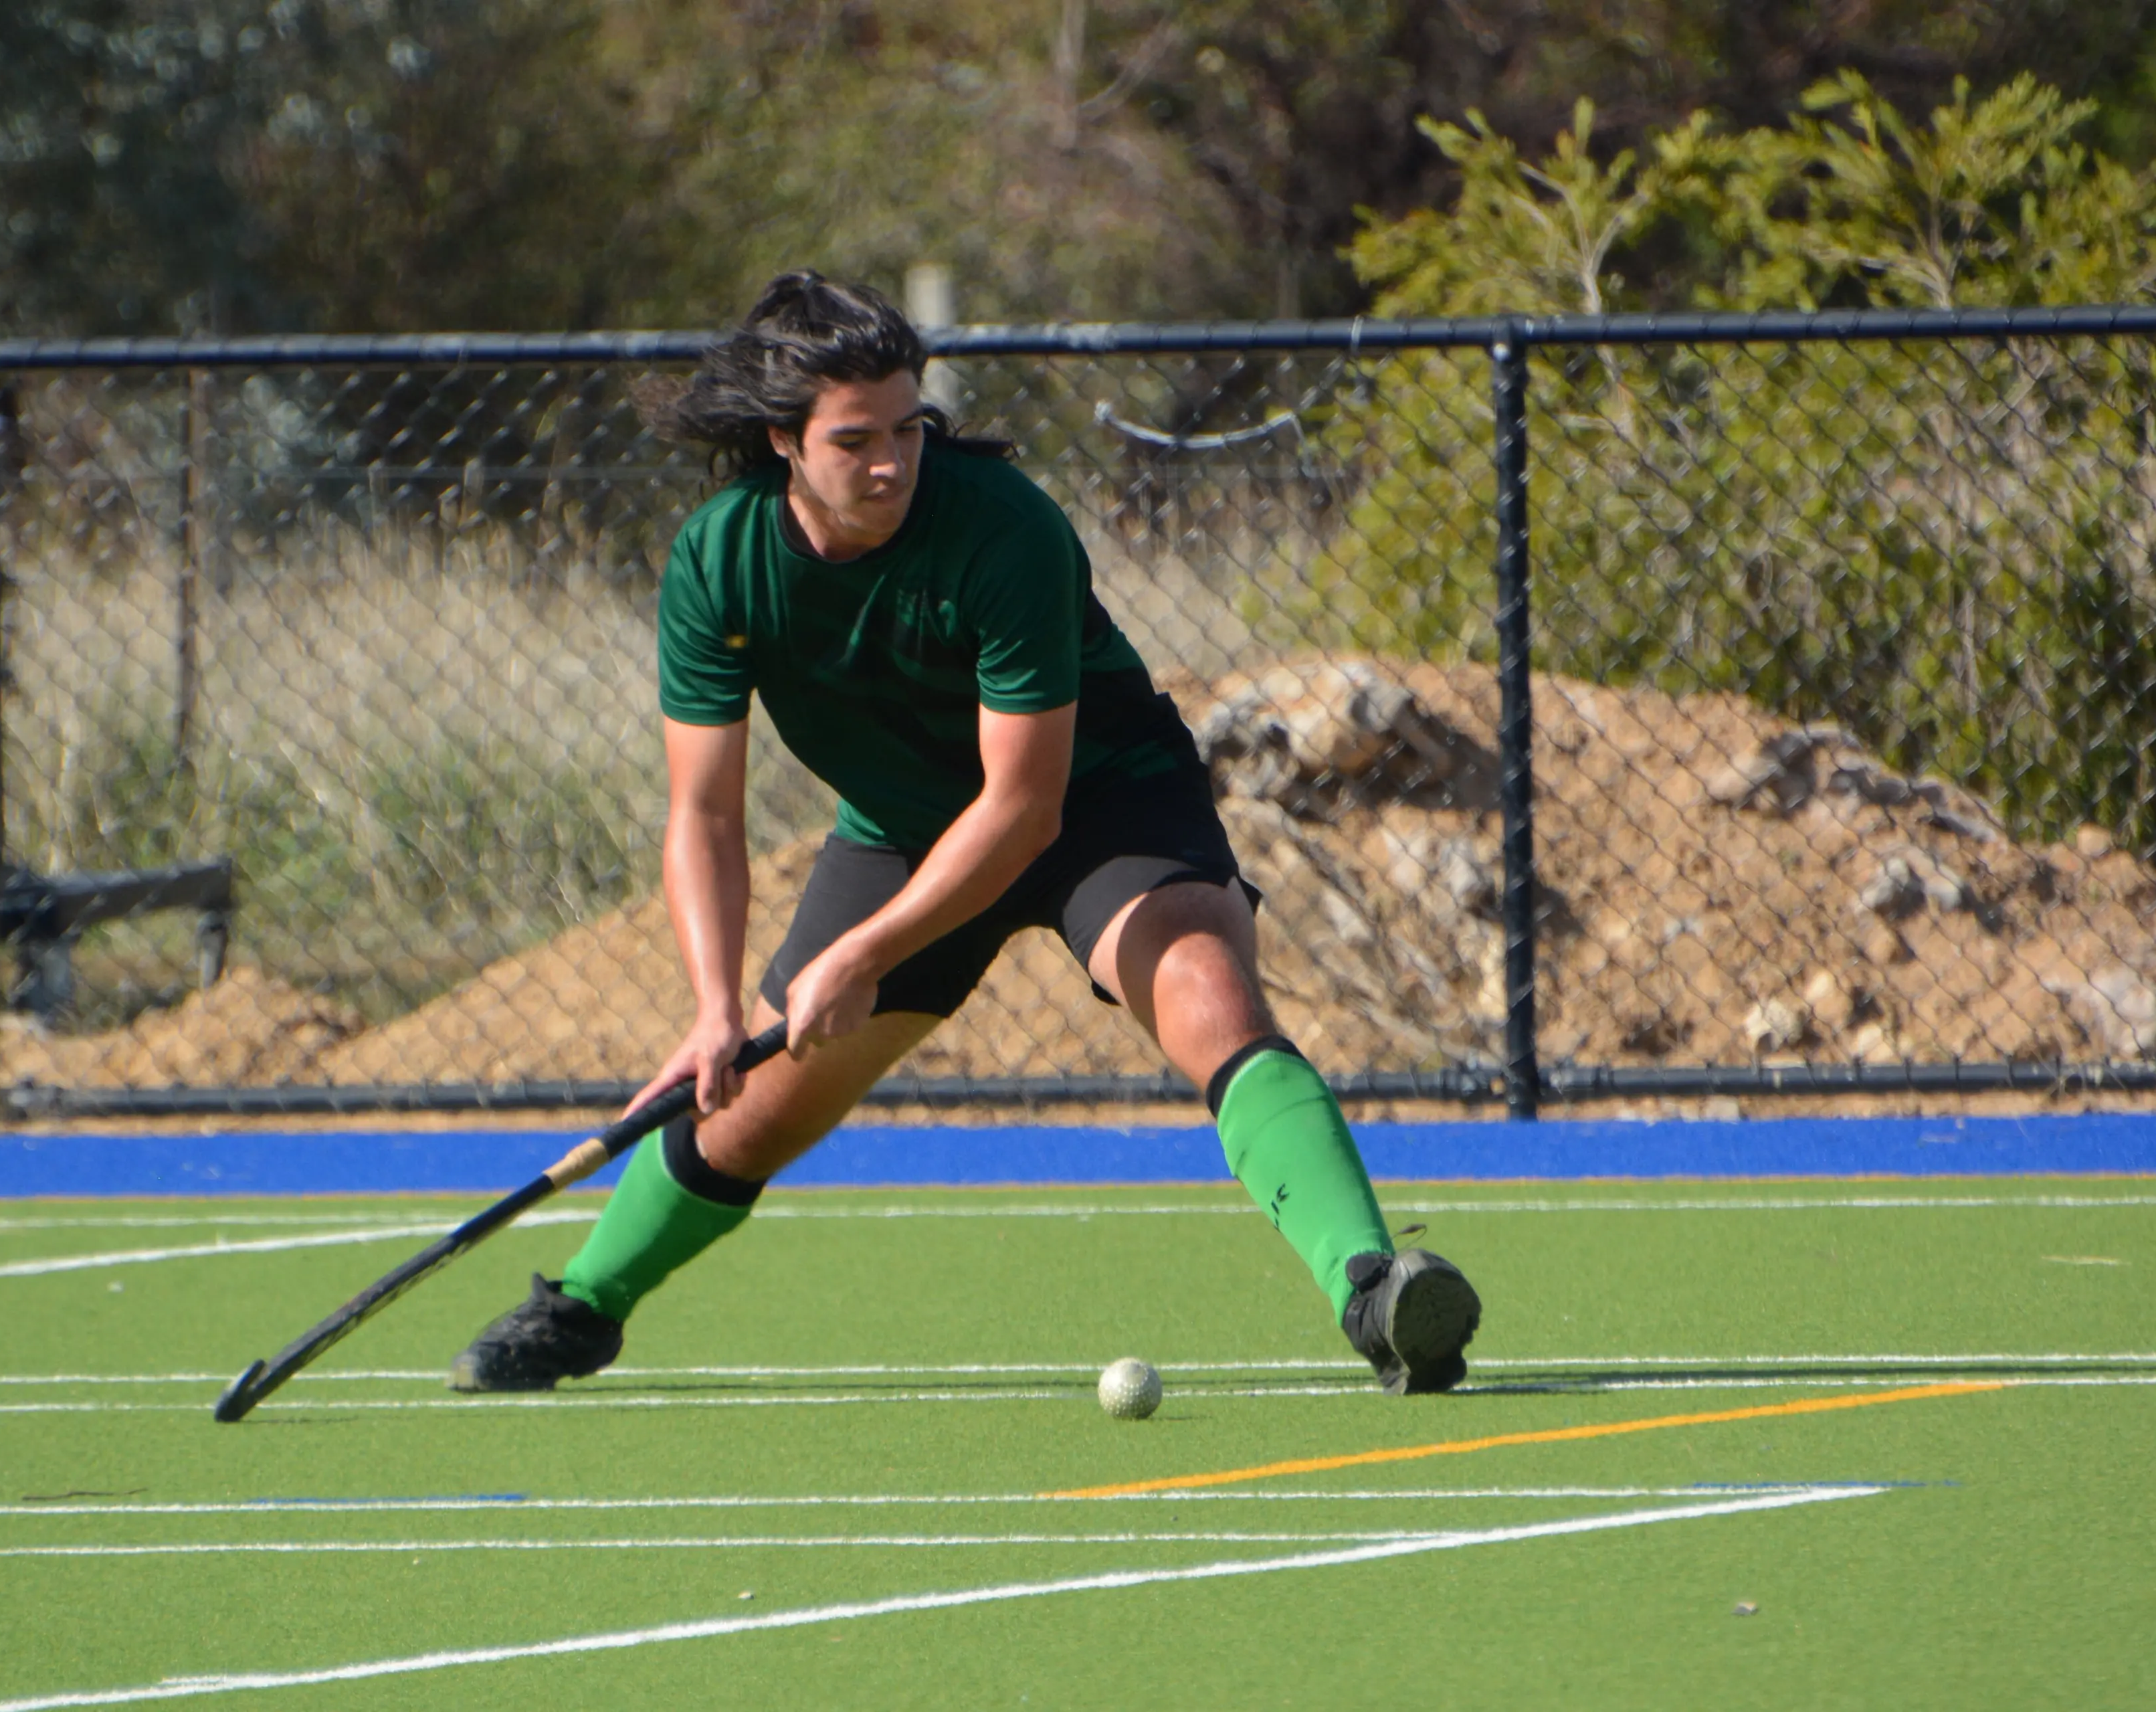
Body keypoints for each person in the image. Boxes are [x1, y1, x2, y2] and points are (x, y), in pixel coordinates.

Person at [448, 272, 1480, 1397]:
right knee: (744, 1113)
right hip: (900, 828)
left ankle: (1375, 1290)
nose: (891, 462)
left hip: (1099, 798)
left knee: (1204, 992)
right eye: (855, 440)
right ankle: (587, 1304)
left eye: (906, 427)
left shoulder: (1003, 527)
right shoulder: (719, 559)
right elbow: (703, 812)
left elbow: (1023, 808)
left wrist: (865, 953)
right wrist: (710, 1010)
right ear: (782, 441)